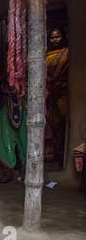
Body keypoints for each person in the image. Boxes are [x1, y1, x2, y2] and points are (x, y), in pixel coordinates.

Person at [44, 27, 68, 164]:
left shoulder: (66, 53)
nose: (54, 40)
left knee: (63, 122)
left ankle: (62, 154)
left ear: (63, 37)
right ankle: (57, 153)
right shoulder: (47, 54)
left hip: (63, 93)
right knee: (53, 124)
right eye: (52, 37)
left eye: (57, 37)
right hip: (50, 93)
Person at [0, 84, 27, 184]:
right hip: (8, 106)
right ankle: (8, 172)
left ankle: (25, 170)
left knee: (26, 139)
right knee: (6, 139)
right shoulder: (8, 71)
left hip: (25, 106)